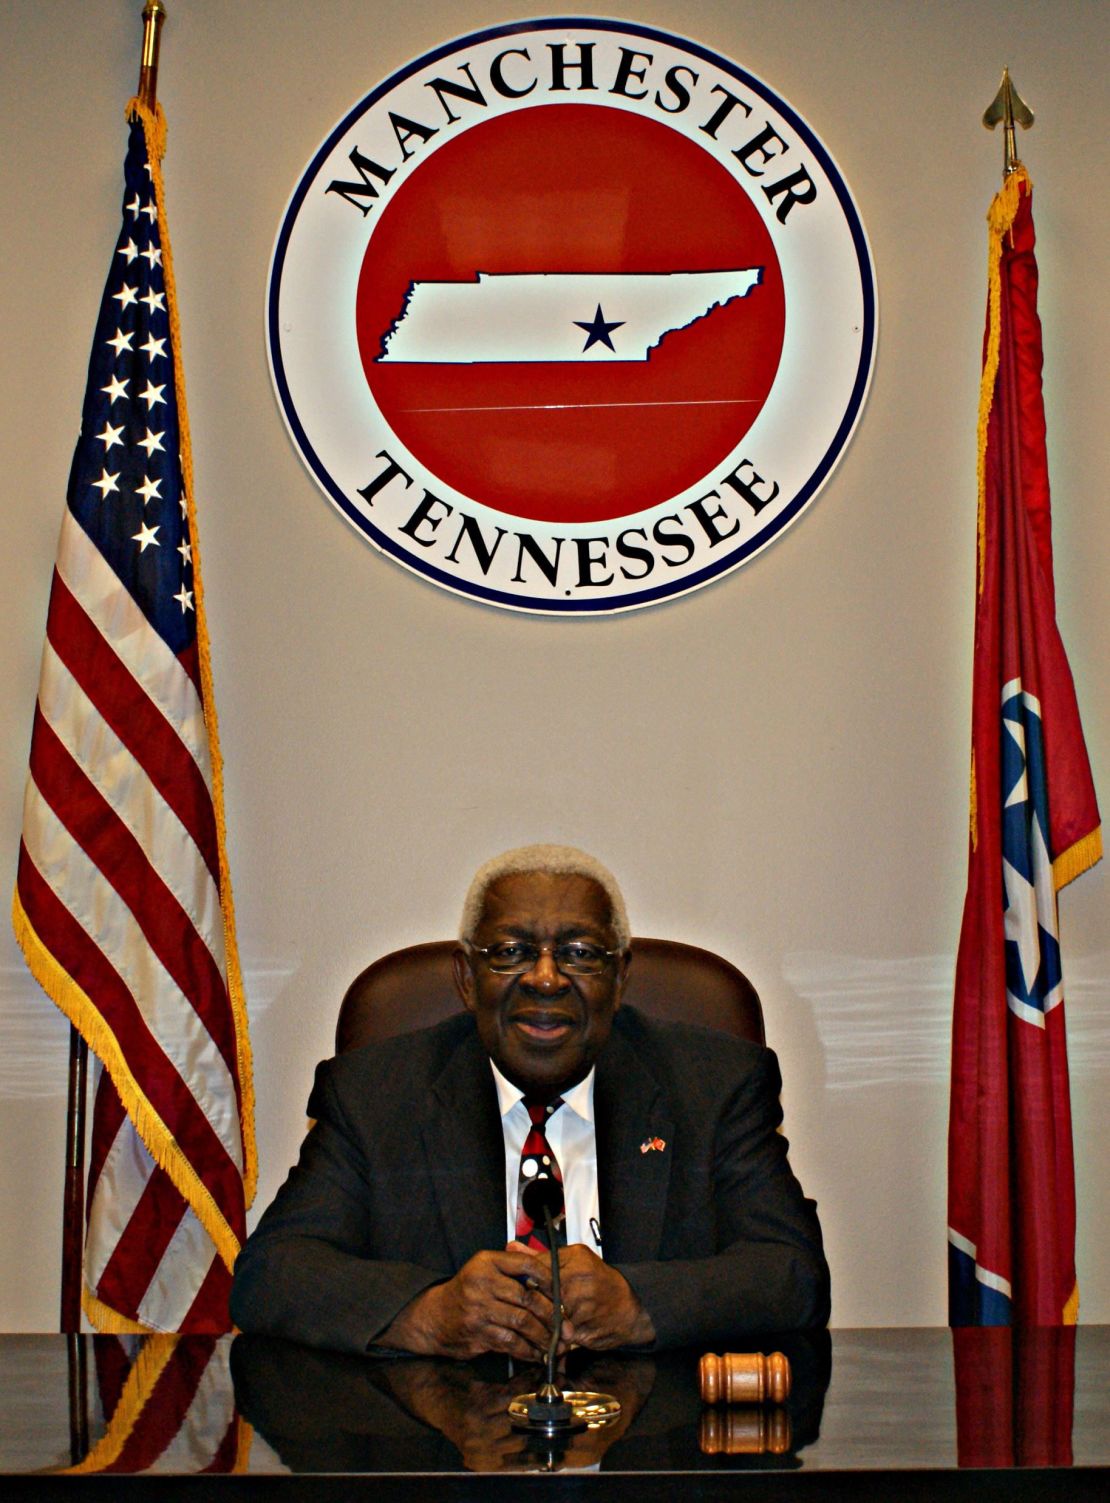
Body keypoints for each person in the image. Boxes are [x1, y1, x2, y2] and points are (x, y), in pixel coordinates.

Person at [230, 845, 829, 1356]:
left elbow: (792, 1273)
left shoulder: (715, 1087)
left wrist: (639, 1304)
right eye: (511, 952)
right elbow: (272, 1273)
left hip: (655, 1458)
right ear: (467, 978)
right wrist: (431, 1313)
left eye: (580, 953)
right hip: (438, 1462)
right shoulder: (376, 1095)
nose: (546, 978)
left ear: (620, 979)